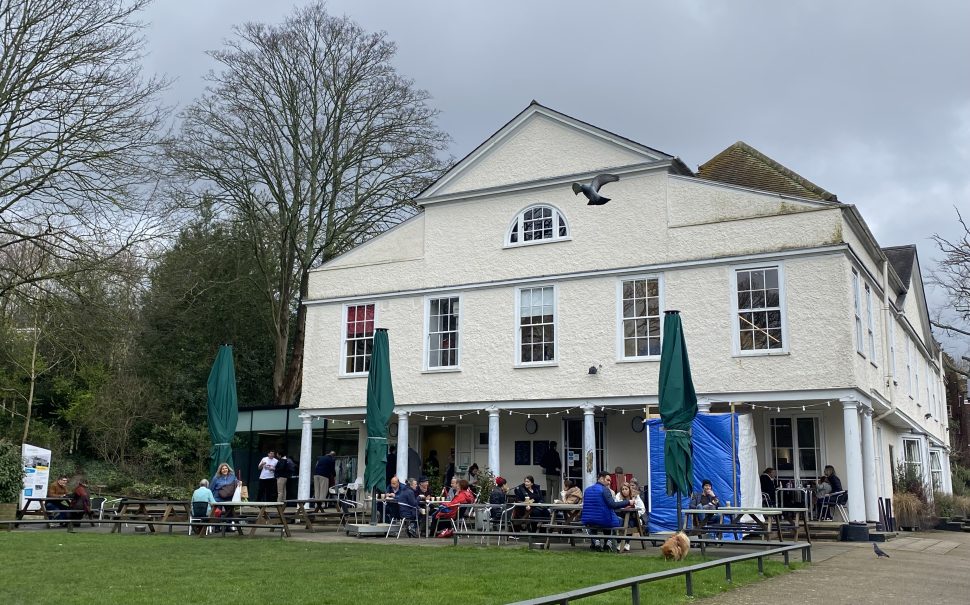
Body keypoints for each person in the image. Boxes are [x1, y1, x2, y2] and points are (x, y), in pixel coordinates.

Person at [581, 471, 630, 552]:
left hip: (588, 520)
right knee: (619, 520)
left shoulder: (587, 490)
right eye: (608, 480)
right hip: (604, 520)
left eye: (610, 481)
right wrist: (628, 502)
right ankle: (609, 542)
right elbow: (613, 505)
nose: (609, 482)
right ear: (601, 479)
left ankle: (596, 542)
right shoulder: (605, 490)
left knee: (594, 522)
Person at [615, 482, 646, 552]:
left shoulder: (635, 497)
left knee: (629, 524)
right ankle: (619, 542)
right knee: (620, 523)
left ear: (629, 490)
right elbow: (616, 505)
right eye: (622, 489)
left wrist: (635, 510)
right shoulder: (618, 496)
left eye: (626, 489)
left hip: (634, 517)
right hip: (622, 516)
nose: (624, 491)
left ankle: (626, 543)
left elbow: (642, 508)